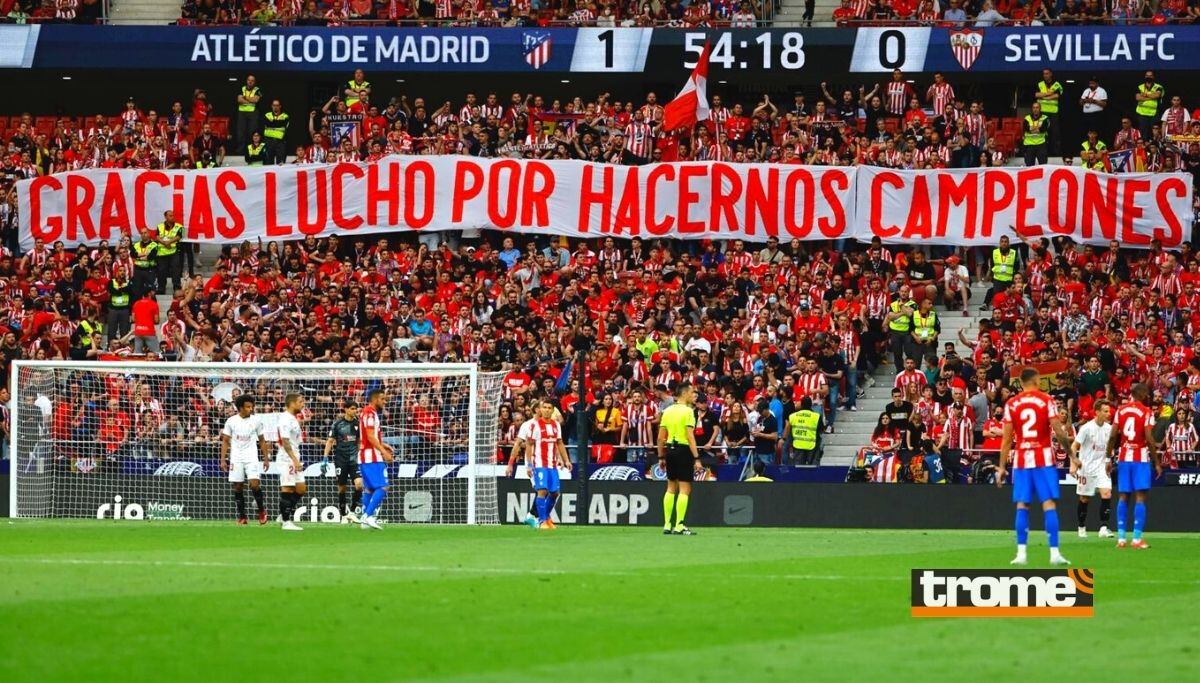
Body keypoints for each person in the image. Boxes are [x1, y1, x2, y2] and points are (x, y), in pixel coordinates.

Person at [996, 367, 1075, 566]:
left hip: (1022, 458)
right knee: (1048, 503)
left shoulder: (1012, 403)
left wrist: (1001, 467)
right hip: (1044, 458)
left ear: (1021, 383)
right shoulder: (1046, 400)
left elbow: (1006, 439)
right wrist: (1073, 456)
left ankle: (1021, 554)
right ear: (1037, 380)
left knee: (1022, 504)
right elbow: (1058, 430)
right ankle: (1054, 553)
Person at [1107, 383, 1163, 549]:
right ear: (1143, 393)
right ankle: (1137, 539)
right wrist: (1157, 462)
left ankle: (1121, 539)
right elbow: (1149, 437)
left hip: (1124, 456)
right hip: (1140, 457)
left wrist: (1107, 458)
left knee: (1123, 496)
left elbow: (1112, 436)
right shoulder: (1147, 412)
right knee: (1140, 497)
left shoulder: (1120, 410)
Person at [219, 395, 270, 526]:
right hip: (236, 457)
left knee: (254, 484)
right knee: (237, 487)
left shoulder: (256, 421)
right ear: (240, 407)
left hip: (251, 457)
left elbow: (262, 441)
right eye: (248, 406)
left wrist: (266, 458)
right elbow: (225, 441)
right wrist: (223, 459)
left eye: (251, 406)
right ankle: (242, 516)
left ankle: (262, 511)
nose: (250, 409)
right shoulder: (231, 421)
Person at [657, 382, 700, 536]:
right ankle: (679, 524)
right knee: (684, 488)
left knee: (670, 487)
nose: (693, 395)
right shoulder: (688, 412)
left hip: (670, 450)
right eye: (692, 392)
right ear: (684, 393)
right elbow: (690, 436)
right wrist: (697, 458)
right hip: (683, 450)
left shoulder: (667, 411)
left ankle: (667, 524)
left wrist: (661, 456)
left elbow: (661, 437)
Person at [1071, 398, 1114, 539]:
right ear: (1097, 412)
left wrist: (1109, 460)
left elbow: (1109, 448)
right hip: (1086, 467)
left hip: (1102, 467)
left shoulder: (1109, 429)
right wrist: (1073, 463)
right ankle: (1081, 527)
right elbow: (1074, 446)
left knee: (1106, 494)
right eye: (1105, 411)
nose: (1109, 413)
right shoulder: (1086, 428)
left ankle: (1103, 527)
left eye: (1109, 411)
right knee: (1084, 498)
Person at [527, 400, 570, 530]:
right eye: (544, 407)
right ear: (540, 409)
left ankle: (546, 517)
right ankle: (541, 521)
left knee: (555, 493)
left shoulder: (556, 424)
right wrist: (529, 464)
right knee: (542, 491)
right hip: (539, 464)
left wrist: (566, 460)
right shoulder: (535, 425)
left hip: (552, 465)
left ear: (552, 410)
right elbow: (529, 445)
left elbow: (560, 443)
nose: (546, 410)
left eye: (549, 408)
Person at [358, 389, 394, 531]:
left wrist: (383, 444)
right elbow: (370, 436)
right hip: (371, 456)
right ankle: (367, 516)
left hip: (365, 456)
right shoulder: (369, 413)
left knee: (369, 489)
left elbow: (369, 436)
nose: (385, 402)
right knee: (383, 486)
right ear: (374, 399)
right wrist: (384, 452)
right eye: (383, 399)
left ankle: (365, 521)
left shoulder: (368, 413)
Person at [324, 398, 362, 524]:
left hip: (353, 460)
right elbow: (330, 441)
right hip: (341, 459)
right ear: (345, 409)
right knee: (342, 487)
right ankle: (343, 515)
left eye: (356, 408)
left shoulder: (358, 424)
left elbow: (358, 442)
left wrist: (359, 454)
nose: (354, 411)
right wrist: (325, 459)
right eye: (352, 408)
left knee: (359, 484)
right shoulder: (337, 424)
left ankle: (351, 512)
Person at [275, 393, 306, 532]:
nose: (302, 404)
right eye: (300, 401)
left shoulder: (293, 418)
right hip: (287, 458)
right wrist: (294, 460)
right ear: (292, 403)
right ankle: (286, 521)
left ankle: (283, 515)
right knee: (287, 488)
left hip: (295, 456)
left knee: (301, 489)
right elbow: (285, 442)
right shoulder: (285, 419)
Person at [784, 396, 822, 466]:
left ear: (801, 404)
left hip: (798, 446)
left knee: (798, 469)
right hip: (812, 447)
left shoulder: (793, 416)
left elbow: (788, 431)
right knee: (813, 468)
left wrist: (786, 441)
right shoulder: (816, 416)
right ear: (811, 405)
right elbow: (821, 430)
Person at [130, 289, 160, 355]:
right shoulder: (154, 304)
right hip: (149, 331)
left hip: (138, 331)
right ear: (149, 293)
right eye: (152, 292)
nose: (154, 293)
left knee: (138, 355)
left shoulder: (136, 303)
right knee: (156, 354)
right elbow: (156, 320)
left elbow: (133, 319)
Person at [749, 400, 778, 466]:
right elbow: (759, 428)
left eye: (761, 411)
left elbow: (775, 436)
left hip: (767, 452)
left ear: (767, 409)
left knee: (766, 471)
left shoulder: (772, 420)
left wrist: (761, 434)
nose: (760, 413)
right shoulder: (760, 418)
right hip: (758, 449)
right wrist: (754, 432)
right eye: (759, 411)